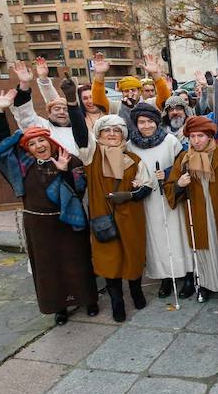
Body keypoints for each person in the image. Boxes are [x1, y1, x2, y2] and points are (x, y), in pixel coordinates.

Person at [0, 88, 98, 325]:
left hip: (69, 221)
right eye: (32, 143)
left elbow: (80, 187)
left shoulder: (68, 158)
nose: (39, 145)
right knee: (48, 267)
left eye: (42, 140)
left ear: (49, 141)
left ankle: (89, 300)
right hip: (38, 225)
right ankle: (59, 306)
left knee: (78, 261)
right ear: (27, 148)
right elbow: (1, 147)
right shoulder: (21, 166)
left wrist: (65, 172)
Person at [65, 79, 154, 323]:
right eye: (107, 131)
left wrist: (131, 195)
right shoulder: (91, 156)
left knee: (134, 256)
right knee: (110, 260)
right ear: (100, 135)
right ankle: (117, 301)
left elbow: (147, 186)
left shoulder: (133, 159)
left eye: (117, 131)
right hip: (103, 216)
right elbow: (80, 134)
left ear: (123, 134)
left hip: (131, 216)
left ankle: (135, 291)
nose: (112, 134)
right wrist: (72, 102)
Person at [164, 116, 218, 301]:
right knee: (203, 246)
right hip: (197, 210)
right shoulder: (184, 159)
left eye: (200, 136)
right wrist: (179, 185)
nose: (196, 140)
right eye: (192, 136)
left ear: (209, 137)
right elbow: (169, 186)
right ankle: (205, 283)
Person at [127, 103, 194, 299]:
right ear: (136, 124)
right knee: (156, 238)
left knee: (178, 234)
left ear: (156, 122)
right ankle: (165, 276)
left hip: (170, 196)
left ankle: (188, 274)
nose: (146, 126)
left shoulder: (170, 141)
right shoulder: (130, 145)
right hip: (148, 199)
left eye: (150, 121)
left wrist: (166, 173)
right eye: (141, 122)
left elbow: (182, 164)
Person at [8, 59, 78, 154]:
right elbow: (25, 115)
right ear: (49, 113)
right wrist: (24, 84)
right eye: (56, 109)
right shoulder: (42, 128)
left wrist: (44, 79)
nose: (61, 112)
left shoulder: (80, 128)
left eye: (66, 110)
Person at [90, 52, 171, 120]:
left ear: (140, 91)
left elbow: (165, 99)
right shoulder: (116, 106)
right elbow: (98, 101)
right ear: (121, 93)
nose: (130, 93)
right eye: (126, 91)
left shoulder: (150, 104)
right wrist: (99, 74)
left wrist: (155, 74)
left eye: (133, 90)